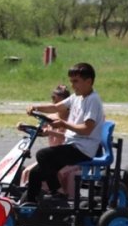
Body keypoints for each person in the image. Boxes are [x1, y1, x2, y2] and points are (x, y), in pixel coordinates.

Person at [20, 63, 105, 207]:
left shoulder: (93, 100)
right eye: (71, 82)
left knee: (43, 155)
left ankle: (57, 193)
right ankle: (30, 204)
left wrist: (64, 124)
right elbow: (55, 107)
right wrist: (35, 107)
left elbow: (86, 129)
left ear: (88, 81)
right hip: (72, 145)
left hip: (83, 149)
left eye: (76, 81)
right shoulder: (77, 97)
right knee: (35, 172)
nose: (73, 85)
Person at [20, 84, 70, 190]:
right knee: (27, 171)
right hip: (52, 156)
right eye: (52, 99)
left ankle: (62, 195)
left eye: (56, 99)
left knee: (57, 173)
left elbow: (72, 138)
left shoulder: (73, 119)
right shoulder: (50, 118)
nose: (54, 102)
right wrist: (24, 127)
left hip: (69, 156)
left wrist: (52, 133)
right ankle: (28, 196)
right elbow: (40, 132)